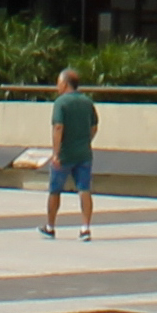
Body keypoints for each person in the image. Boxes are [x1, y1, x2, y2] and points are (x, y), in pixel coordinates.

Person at [42, 67, 99, 242]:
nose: (57, 87)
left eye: (59, 83)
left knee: (55, 190)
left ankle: (50, 227)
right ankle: (85, 228)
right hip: (84, 154)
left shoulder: (61, 103)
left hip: (65, 154)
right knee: (84, 190)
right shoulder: (87, 102)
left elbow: (58, 127)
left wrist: (56, 154)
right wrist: (86, 141)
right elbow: (94, 126)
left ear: (65, 84)